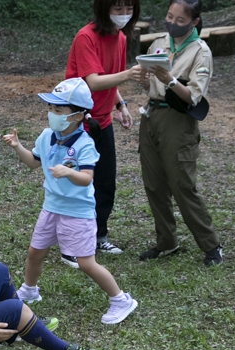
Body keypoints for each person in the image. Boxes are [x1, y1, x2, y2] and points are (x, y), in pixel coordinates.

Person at [3, 78, 138, 324]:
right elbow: (33, 162)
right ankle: (30, 291)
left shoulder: (85, 144)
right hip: (51, 207)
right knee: (35, 251)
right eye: (51, 109)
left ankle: (121, 300)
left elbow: (86, 179)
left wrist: (68, 172)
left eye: (58, 110)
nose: (52, 114)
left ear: (77, 116)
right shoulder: (46, 136)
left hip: (78, 212)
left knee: (86, 263)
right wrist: (17, 146)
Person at [137, 0, 222, 266]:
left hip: (178, 120)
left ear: (195, 22)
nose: (172, 23)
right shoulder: (159, 42)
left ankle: (211, 246)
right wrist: (145, 80)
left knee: (182, 185)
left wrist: (170, 80)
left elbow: (194, 97)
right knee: (154, 184)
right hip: (151, 115)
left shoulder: (201, 51)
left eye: (180, 20)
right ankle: (167, 241)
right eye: (169, 17)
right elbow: (150, 83)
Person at [63, 0, 144, 267]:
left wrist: (120, 105)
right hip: (77, 124)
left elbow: (110, 76)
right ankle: (71, 245)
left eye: (128, 9)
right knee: (75, 186)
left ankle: (99, 236)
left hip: (103, 123)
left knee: (105, 183)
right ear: (103, 8)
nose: (123, 15)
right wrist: (129, 74)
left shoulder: (119, 37)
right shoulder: (86, 36)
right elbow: (94, 80)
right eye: (117, 9)